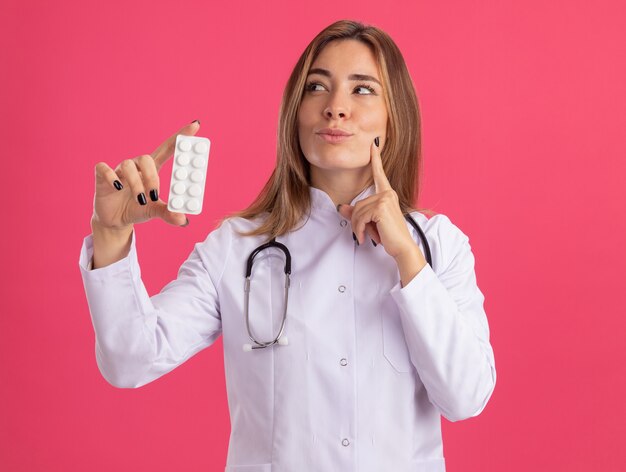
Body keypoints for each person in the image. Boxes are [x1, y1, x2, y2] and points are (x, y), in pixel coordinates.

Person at [79, 19, 496, 472]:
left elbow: (466, 397)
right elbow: (130, 359)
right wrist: (111, 233)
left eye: (362, 90)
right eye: (318, 87)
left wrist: (408, 260)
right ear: (295, 113)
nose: (336, 108)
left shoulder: (438, 247)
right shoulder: (235, 250)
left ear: (394, 117)